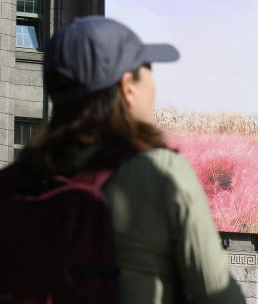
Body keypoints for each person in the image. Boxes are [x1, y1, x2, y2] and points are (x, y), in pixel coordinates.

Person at [16, 16, 246, 304]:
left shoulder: (13, 180)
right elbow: (219, 296)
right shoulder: (161, 172)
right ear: (127, 86)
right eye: (147, 70)